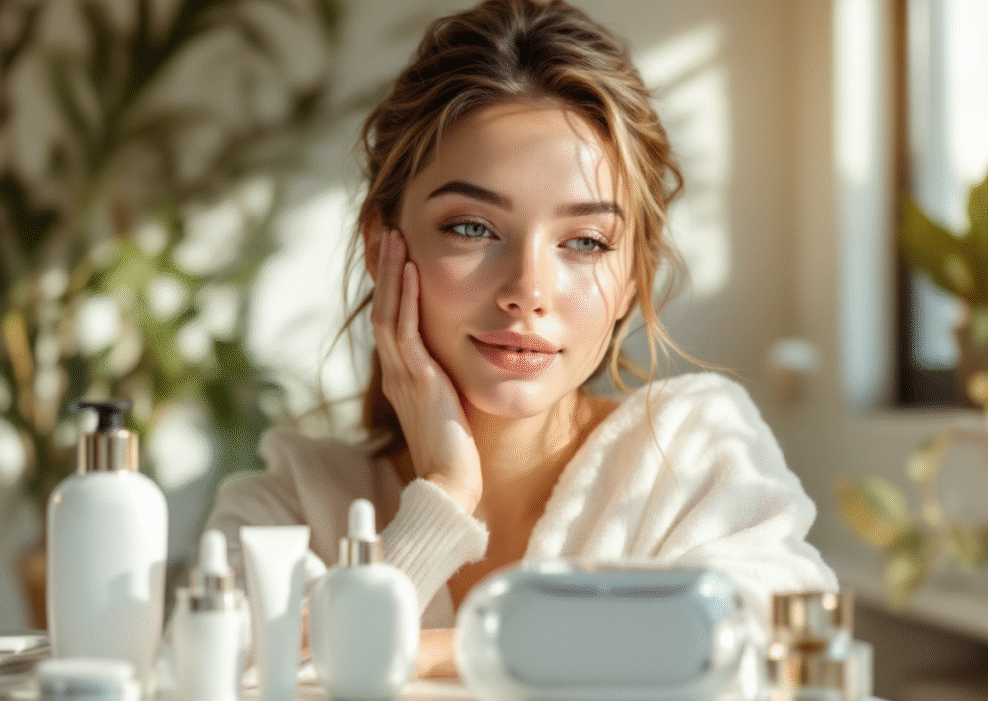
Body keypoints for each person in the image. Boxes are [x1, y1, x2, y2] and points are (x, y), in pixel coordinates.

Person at [205, 0, 837, 684]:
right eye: (472, 228)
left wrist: (440, 649)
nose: (528, 290)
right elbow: (225, 670)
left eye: (585, 241)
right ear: (382, 244)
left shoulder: (690, 454)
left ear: (633, 281)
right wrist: (442, 496)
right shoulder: (291, 506)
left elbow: (774, 644)